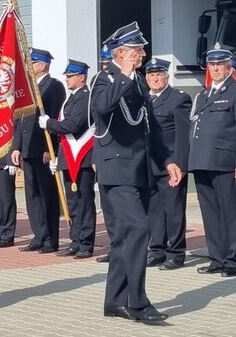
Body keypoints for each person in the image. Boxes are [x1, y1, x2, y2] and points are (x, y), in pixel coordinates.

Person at [91, 22, 183, 324]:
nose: (142, 54)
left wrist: (167, 160)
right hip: (117, 170)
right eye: (136, 50)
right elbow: (102, 108)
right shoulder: (104, 79)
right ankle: (138, 302)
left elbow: (149, 126)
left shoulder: (139, 83)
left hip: (139, 170)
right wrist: (125, 73)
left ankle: (115, 301)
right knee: (139, 230)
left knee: (124, 237)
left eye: (141, 50)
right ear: (120, 53)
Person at [189, 43, 236, 277]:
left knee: (231, 212)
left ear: (229, 67)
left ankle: (233, 259)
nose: (215, 69)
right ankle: (216, 258)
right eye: (212, 65)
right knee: (210, 213)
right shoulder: (204, 94)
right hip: (202, 160)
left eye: (220, 64)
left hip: (226, 162)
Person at [40, 59, 96, 259]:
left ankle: (86, 243)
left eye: (70, 76)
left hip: (82, 157)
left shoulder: (85, 98)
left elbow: (73, 125)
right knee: (72, 202)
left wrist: (49, 124)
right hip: (67, 155)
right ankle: (75, 240)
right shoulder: (71, 98)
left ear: (81, 78)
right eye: (67, 76)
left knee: (84, 201)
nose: (67, 79)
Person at [11, 48, 66, 254]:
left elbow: (53, 117)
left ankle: (51, 238)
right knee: (32, 195)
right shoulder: (28, 88)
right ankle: (38, 235)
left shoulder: (54, 86)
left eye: (32, 63)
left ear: (42, 65)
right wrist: (16, 146)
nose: (29, 66)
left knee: (47, 194)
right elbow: (20, 119)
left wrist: (49, 148)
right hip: (27, 148)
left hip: (43, 149)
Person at [144, 57, 191, 270]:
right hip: (149, 164)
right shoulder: (144, 99)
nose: (155, 79)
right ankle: (157, 250)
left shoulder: (178, 99)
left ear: (167, 76)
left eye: (159, 74)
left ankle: (176, 252)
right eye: (151, 75)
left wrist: (180, 165)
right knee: (154, 211)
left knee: (173, 211)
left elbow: (183, 136)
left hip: (170, 165)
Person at [94, 47, 115, 264]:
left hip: (127, 156)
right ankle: (115, 246)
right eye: (104, 63)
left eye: (109, 62)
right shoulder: (99, 82)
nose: (106, 66)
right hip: (105, 151)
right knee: (109, 208)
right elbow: (97, 122)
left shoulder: (133, 80)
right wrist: (95, 155)